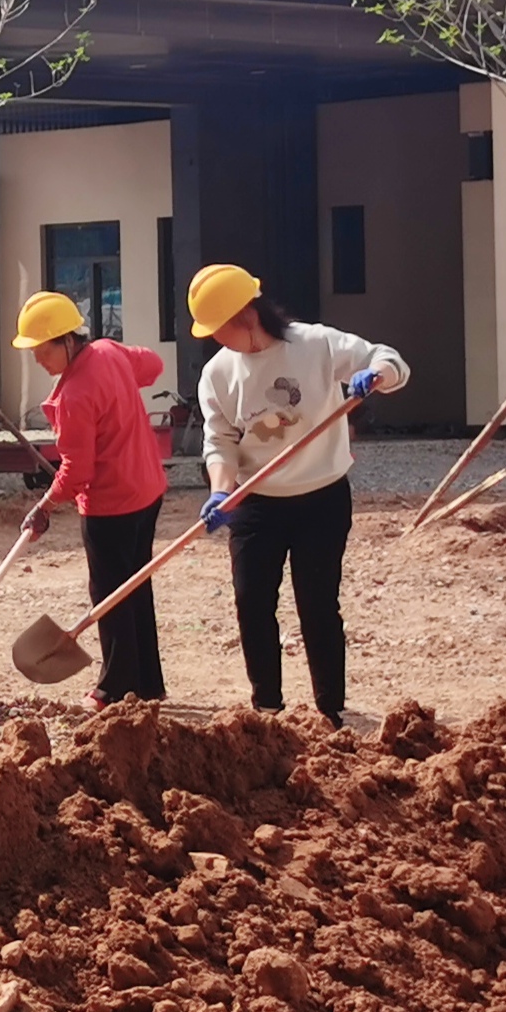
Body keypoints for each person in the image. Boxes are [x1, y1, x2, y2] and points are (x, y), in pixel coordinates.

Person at [186, 263, 406, 723]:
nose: (215, 339)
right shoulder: (218, 373)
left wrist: (376, 374)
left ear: (248, 315)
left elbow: (388, 359)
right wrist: (222, 492)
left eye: (219, 328)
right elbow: (220, 440)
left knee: (318, 603)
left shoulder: (315, 344)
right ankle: (267, 708)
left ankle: (331, 711)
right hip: (256, 503)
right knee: (251, 602)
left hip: (321, 498)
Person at [12, 291, 170, 706]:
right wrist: (119, 387)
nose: (38, 360)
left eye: (43, 350)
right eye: (33, 352)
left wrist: (45, 505)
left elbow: (77, 471)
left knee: (110, 596)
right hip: (147, 490)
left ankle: (114, 687)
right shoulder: (109, 352)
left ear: (67, 340)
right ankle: (148, 684)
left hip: (111, 507)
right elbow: (154, 365)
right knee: (136, 587)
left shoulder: (74, 396)